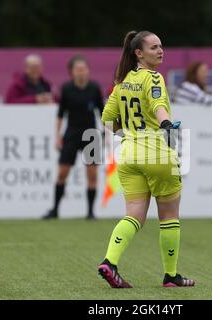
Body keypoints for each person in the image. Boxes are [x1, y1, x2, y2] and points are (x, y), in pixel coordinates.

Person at [97, 31, 195, 288]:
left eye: (161, 46)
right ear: (138, 53)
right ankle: (171, 276)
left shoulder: (122, 81)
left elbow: (107, 119)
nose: (160, 51)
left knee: (134, 217)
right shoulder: (154, 77)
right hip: (156, 154)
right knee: (169, 216)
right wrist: (165, 123)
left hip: (129, 156)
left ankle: (110, 262)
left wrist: (127, 135)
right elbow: (157, 103)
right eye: (153, 47)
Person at [43, 55, 104, 220]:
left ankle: (90, 212)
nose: (81, 72)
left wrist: (106, 133)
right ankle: (55, 210)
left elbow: (103, 112)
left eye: (84, 69)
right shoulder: (67, 89)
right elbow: (60, 114)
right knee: (62, 172)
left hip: (91, 135)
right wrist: (58, 136)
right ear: (72, 72)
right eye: (78, 69)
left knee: (92, 174)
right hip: (71, 134)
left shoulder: (94, 88)